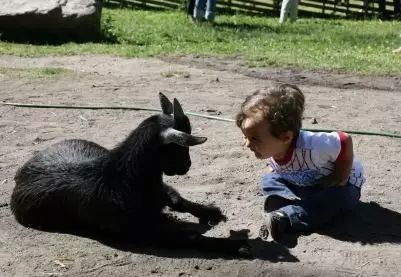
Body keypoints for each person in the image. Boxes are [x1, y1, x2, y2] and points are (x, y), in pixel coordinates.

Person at [236, 83, 365, 242]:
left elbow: (345, 140)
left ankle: (286, 218)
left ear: (286, 137)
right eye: (245, 136)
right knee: (268, 180)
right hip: (307, 184)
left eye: (254, 139)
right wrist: (276, 167)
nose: (247, 144)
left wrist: (341, 176)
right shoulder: (272, 144)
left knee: (336, 200)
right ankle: (302, 206)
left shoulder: (313, 146)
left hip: (341, 187)